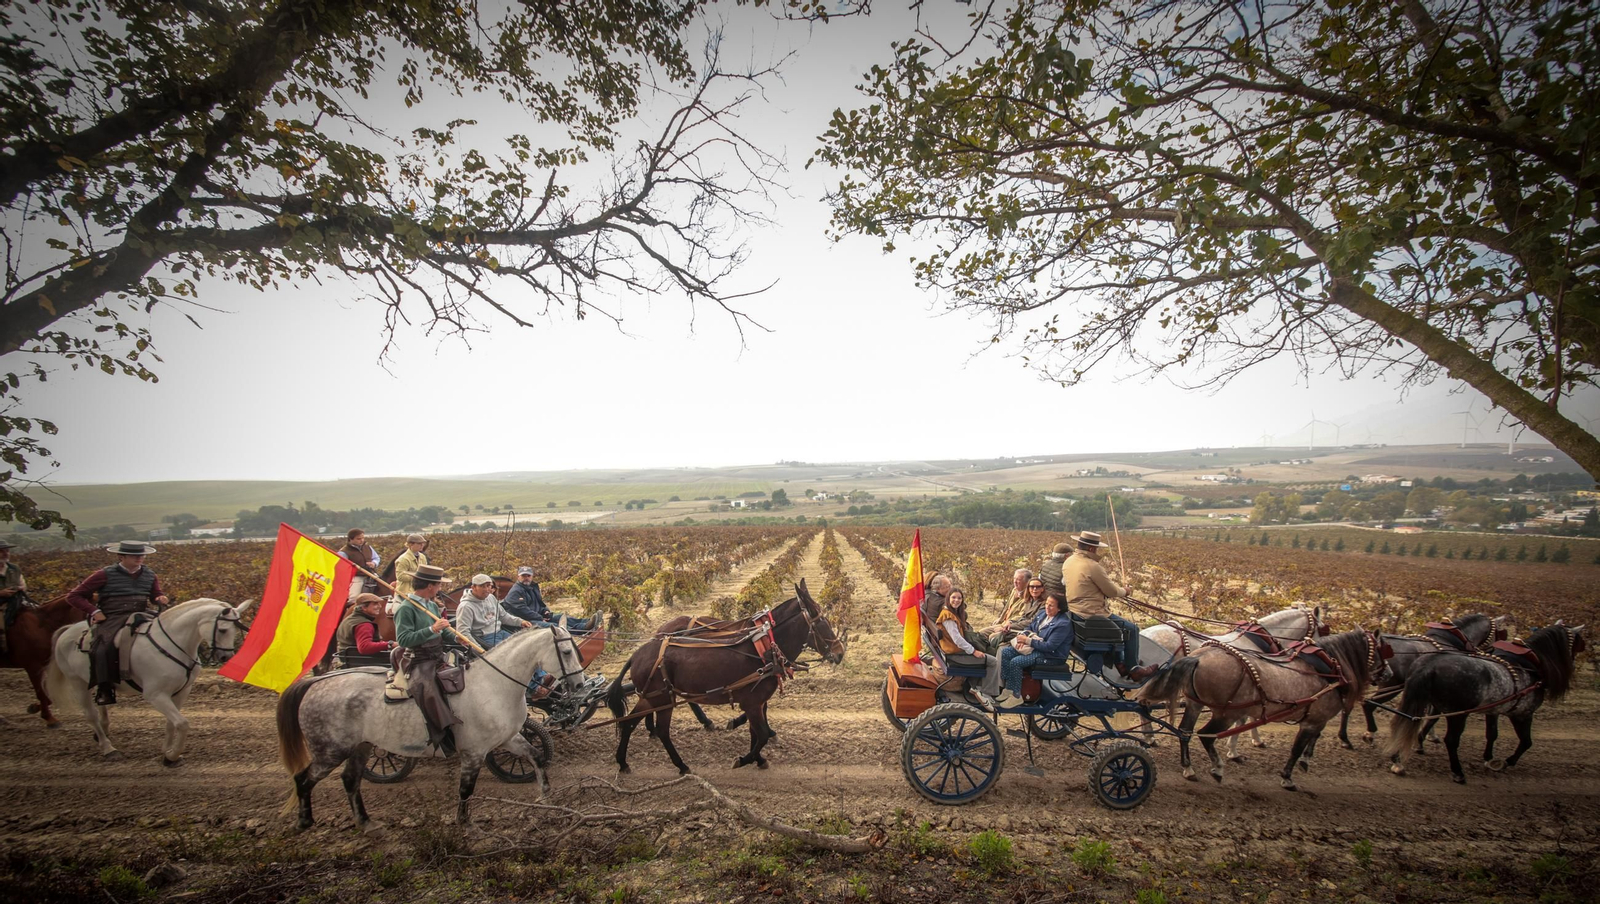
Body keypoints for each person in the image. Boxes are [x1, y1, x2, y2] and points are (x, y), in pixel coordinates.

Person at [65, 540, 170, 705]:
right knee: (103, 647)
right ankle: (104, 688)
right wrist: (95, 611)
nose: (139, 558)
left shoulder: (150, 574)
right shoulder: (104, 574)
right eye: (134, 555)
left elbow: (154, 594)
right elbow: (73, 596)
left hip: (142, 613)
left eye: (141, 555)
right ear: (121, 556)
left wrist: (159, 598)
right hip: (112, 616)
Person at [1061, 531, 1157, 681]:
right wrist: (1125, 591)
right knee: (1131, 629)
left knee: (1116, 627)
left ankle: (1120, 663)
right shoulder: (1092, 566)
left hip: (1075, 611)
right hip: (1091, 614)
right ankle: (1134, 668)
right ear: (1092, 549)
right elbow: (1111, 591)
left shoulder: (1069, 561)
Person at [393, 564, 462, 756]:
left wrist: (456, 637)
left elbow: (443, 633)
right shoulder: (406, 609)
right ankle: (441, 735)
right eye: (439, 585)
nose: (440, 588)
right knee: (430, 692)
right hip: (418, 660)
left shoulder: (431, 605)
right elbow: (404, 639)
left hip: (437, 655)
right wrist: (432, 629)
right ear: (430, 586)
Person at [457, 573, 556, 699]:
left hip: (500, 632)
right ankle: (532, 689)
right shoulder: (466, 607)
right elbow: (463, 632)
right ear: (473, 587)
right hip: (484, 638)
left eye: (489, 586)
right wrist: (478, 650)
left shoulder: (491, 598)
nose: (487, 589)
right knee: (516, 656)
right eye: (483, 586)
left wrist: (520, 621)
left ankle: (542, 676)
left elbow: (504, 616)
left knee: (527, 647)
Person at [998, 593, 1074, 699]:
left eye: (1051, 605)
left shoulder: (1062, 624)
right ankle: (1007, 688)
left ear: (1059, 608)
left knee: (1016, 662)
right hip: (1036, 647)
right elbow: (1031, 627)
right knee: (1006, 652)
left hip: (1051, 656)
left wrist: (1028, 641)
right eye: (1047, 603)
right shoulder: (1043, 614)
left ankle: (1016, 695)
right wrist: (1022, 638)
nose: (1047, 606)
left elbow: (1049, 647)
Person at [935, 588, 1002, 702]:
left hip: (953, 652)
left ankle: (975, 687)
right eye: (953, 597)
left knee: (986, 655)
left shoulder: (950, 613)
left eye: (959, 598)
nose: (956, 600)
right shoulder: (948, 617)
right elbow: (957, 640)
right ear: (948, 599)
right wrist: (973, 651)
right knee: (993, 661)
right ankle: (986, 694)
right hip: (955, 655)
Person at [503, 566, 599, 634]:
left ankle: (587, 623)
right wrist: (540, 618)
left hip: (537, 616)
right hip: (525, 621)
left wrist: (545, 611)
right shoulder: (515, 592)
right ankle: (582, 629)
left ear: (532, 577)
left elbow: (540, 603)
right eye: (523, 576)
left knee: (561, 617)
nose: (526, 578)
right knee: (554, 626)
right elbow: (522, 611)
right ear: (518, 577)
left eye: (528, 576)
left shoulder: (532, 587)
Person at [986, 572, 1045, 644]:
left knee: (994, 637)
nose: (1034, 589)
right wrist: (1010, 623)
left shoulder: (1043, 604)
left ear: (1042, 589)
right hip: (1018, 627)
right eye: (1032, 587)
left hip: (1029, 631)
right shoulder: (1029, 601)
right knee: (990, 635)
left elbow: (1032, 621)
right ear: (1028, 588)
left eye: (1038, 587)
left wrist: (1010, 626)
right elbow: (1023, 616)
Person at [334, 593, 393, 658]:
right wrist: (390, 644)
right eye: (375, 604)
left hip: (348, 658)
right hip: (361, 660)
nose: (380, 606)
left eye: (378, 603)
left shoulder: (348, 619)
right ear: (364, 608)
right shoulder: (364, 625)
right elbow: (364, 647)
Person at [0, 539, 28, 656]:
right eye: (1, 551)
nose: (6, 553)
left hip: (16, 601)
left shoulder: (14, 568)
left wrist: (21, 588)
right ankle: (2, 650)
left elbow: (23, 584)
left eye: (7, 550)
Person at [388, 534, 428, 615]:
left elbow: (425, 571)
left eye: (423, 544)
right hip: (405, 592)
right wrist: (418, 578)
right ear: (410, 544)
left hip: (420, 591)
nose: (422, 546)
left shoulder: (422, 557)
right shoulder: (403, 559)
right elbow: (400, 576)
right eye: (419, 544)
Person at [337, 529, 381, 601]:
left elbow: (376, 558)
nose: (362, 540)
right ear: (351, 539)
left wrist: (374, 563)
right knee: (354, 598)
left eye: (363, 538)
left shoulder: (368, 547)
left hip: (372, 575)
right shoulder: (343, 552)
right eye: (358, 539)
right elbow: (342, 567)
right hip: (357, 578)